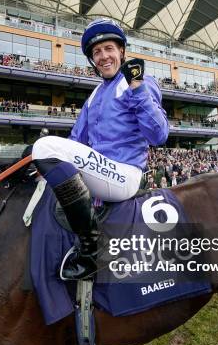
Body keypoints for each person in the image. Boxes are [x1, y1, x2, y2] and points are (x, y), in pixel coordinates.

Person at [31, 18, 169, 280]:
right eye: (97, 52)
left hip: (125, 174)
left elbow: (159, 134)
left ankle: (91, 251)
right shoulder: (94, 95)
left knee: (44, 145)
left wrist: (137, 89)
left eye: (109, 49)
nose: (103, 56)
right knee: (38, 151)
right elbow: (76, 141)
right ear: (92, 61)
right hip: (100, 172)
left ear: (121, 52)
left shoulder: (140, 81)